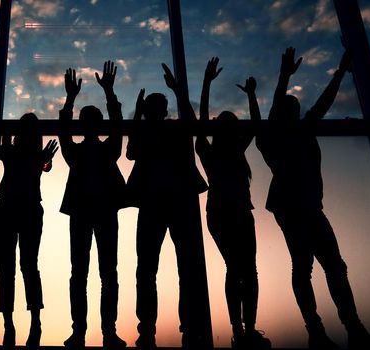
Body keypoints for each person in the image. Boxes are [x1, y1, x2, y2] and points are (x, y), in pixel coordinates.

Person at [256, 47, 370, 350]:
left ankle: (346, 330)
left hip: (305, 206)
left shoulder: (298, 132)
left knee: (327, 266)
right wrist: (283, 79)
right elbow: (298, 107)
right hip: (293, 207)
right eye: (289, 109)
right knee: (310, 266)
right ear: (281, 115)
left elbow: (323, 102)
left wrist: (341, 72)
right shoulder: (272, 139)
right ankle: (325, 331)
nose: (294, 112)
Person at [128, 64, 208, 349]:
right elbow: (131, 151)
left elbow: (132, 151)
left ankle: (156, 329)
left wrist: (175, 92)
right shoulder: (169, 132)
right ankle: (170, 328)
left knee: (156, 268)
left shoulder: (171, 131)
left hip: (165, 204)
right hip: (168, 203)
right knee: (168, 268)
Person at [195, 57, 270, 349]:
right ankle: (241, 330)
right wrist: (206, 84)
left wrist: (251, 96)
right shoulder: (211, 153)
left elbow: (253, 126)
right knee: (241, 269)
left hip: (236, 213)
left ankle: (244, 330)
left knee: (243, 270)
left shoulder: (228, 152)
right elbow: (202, 122)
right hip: (226, 214)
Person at [59, 61, 127, 349]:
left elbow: (117, 127)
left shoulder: (90, 152)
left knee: (94, 273)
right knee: (94, 273)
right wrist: (74, 99)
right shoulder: (99, 152)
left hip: (94, 214)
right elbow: (116, 128)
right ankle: (92, 331)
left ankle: (97, 331)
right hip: (95, 214)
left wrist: (106, 96)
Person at [0, 113, 58, 349]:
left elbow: (44, 166)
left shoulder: (17, 153)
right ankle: (28, 323)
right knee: (26, 266)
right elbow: (44, 166)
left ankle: (14, 325)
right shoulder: (30, 155)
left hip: (12, 208)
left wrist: (43, 161)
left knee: (13, 268)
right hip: (23, 208)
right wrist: (43, 160)